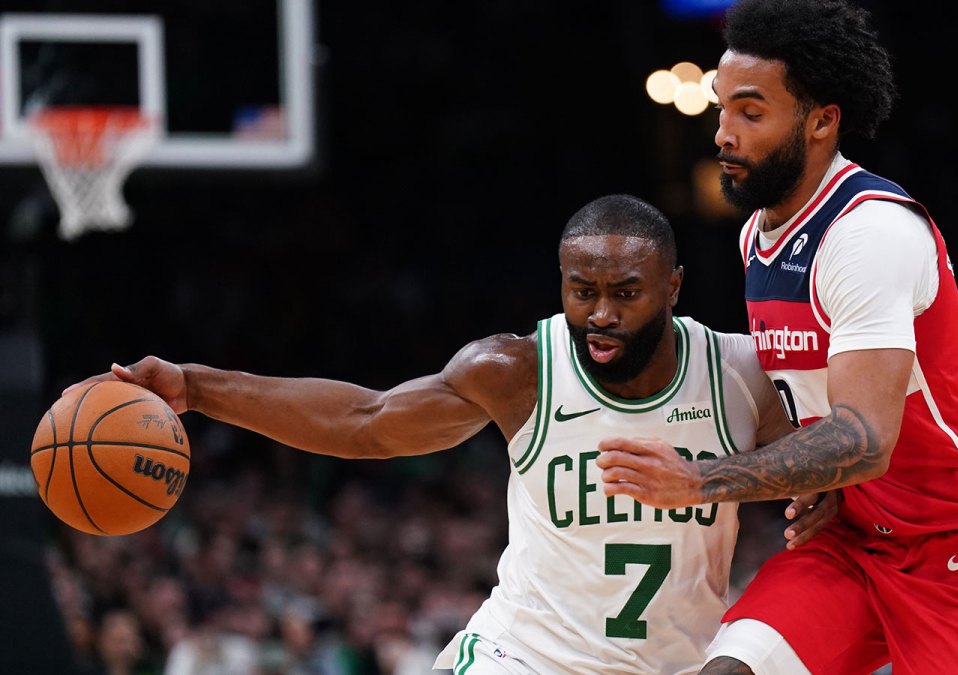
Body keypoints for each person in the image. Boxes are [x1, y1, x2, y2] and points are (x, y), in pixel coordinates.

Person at [66, 194, 835, 675]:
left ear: (671, 287)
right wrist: (197, 386)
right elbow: (367, 422)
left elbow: (846, 443)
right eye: (582, 290)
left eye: (626, 294)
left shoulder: (738, 372)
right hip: (523, 656)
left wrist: (824, 486)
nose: (600, 313)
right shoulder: (518, 370)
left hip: (679, 663)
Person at [596, 2, 958, 674]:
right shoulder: (756, 235)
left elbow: (864, 439)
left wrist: (699, 479)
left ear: (822, 119)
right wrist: (821, 477)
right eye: (721, 107)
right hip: (853, 540)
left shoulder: (868, 233)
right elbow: (805, 400)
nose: (723, 134)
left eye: (750, 113)